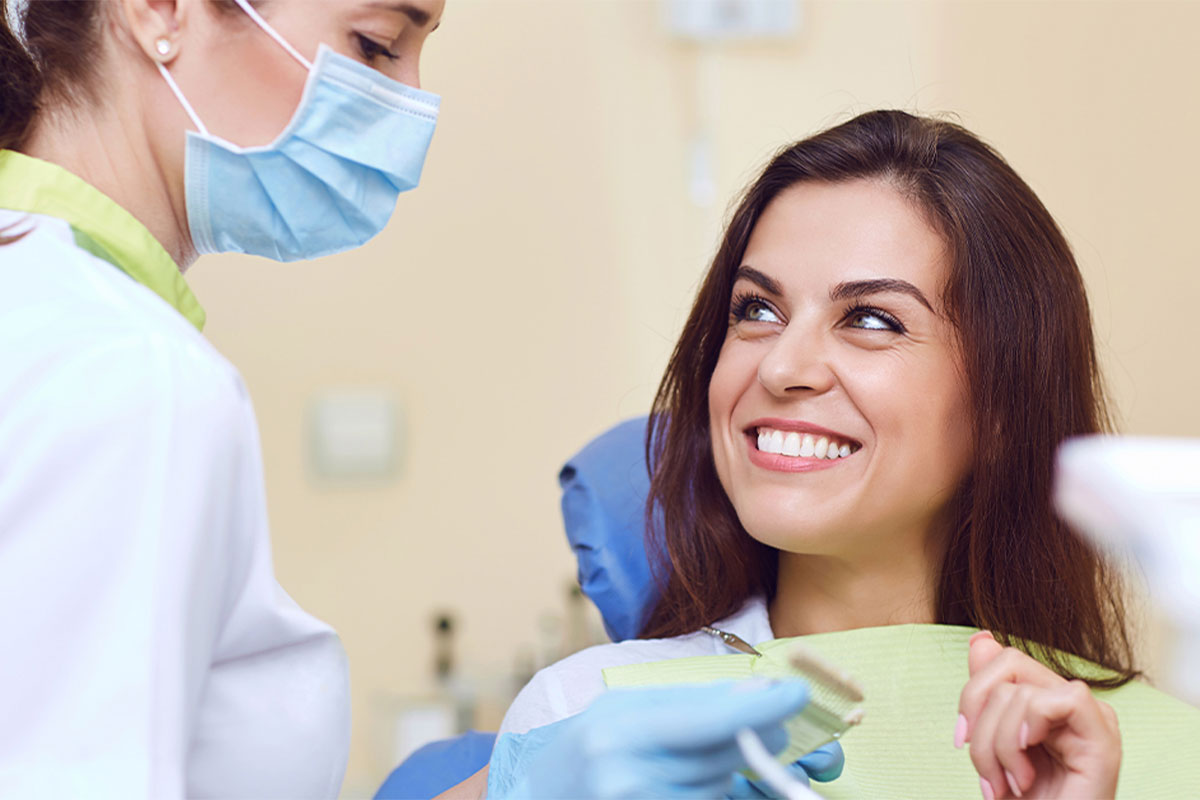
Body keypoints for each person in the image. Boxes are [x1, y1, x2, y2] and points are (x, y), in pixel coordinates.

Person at [0, 0, 832, 796]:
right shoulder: (131, 374)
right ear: (161, 8)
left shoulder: (62, 317)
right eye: (374, 44)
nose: (411, 103)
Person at [484, 110, 1200, 798]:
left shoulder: (1162, 755)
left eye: (870, 319)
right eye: (756, 310)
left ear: (1003, 408)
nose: (780, 367)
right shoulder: (586, 723)